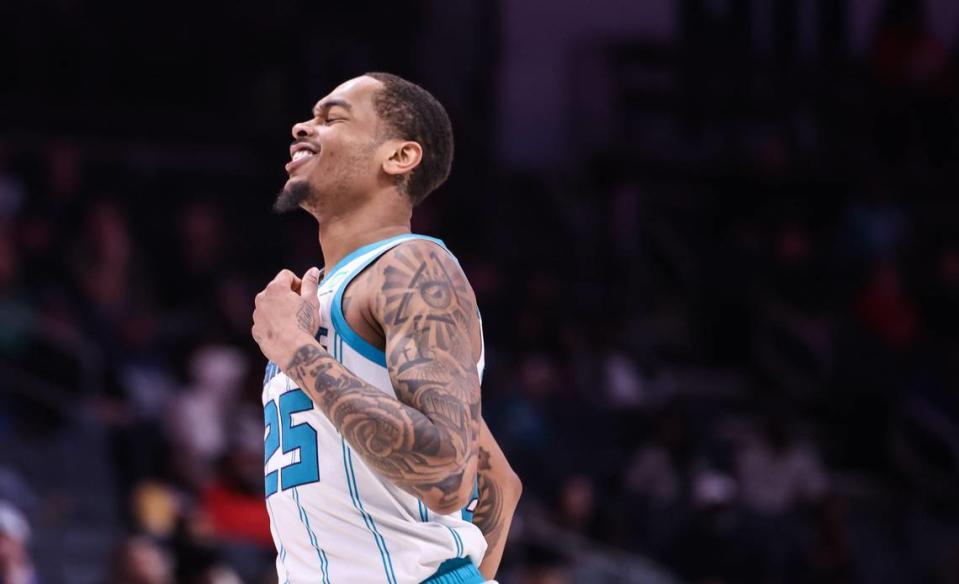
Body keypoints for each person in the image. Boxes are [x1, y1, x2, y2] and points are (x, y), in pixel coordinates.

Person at [251, 72, 522, 584]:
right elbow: (499, 483)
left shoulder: (414, 267)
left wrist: (294, 349)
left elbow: (446, 476)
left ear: (399, 157)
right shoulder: (327, 296)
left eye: (332, 118)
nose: (303, 127)